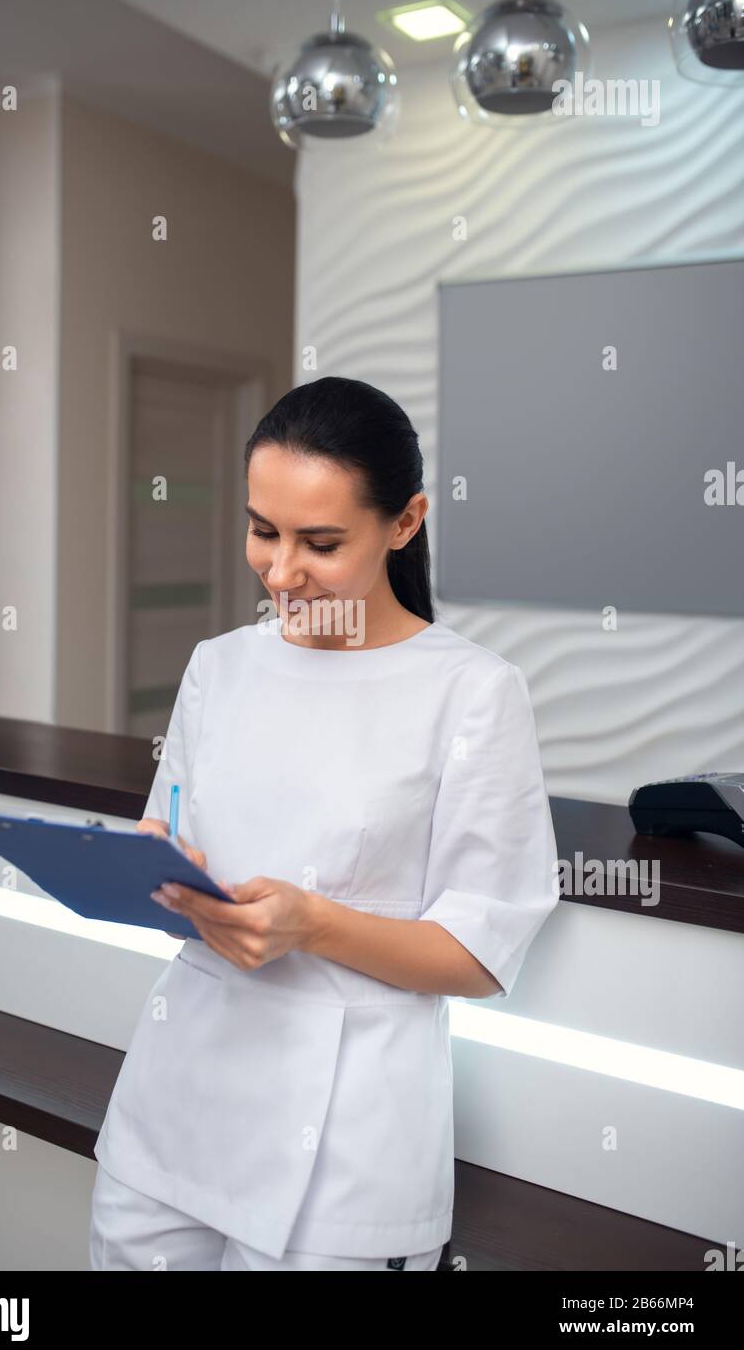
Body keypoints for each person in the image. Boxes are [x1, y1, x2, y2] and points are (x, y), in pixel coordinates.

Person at [89, 375, 559, 1271]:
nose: (279, 570)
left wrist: (312, 925)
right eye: (263, 530)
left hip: (348, 1149)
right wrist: (151, 869)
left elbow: (478, 952)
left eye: (321, 542)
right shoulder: (218, 667)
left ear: (406, 522)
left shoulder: (470, 692)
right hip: (172, 1105)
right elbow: (168, 834)